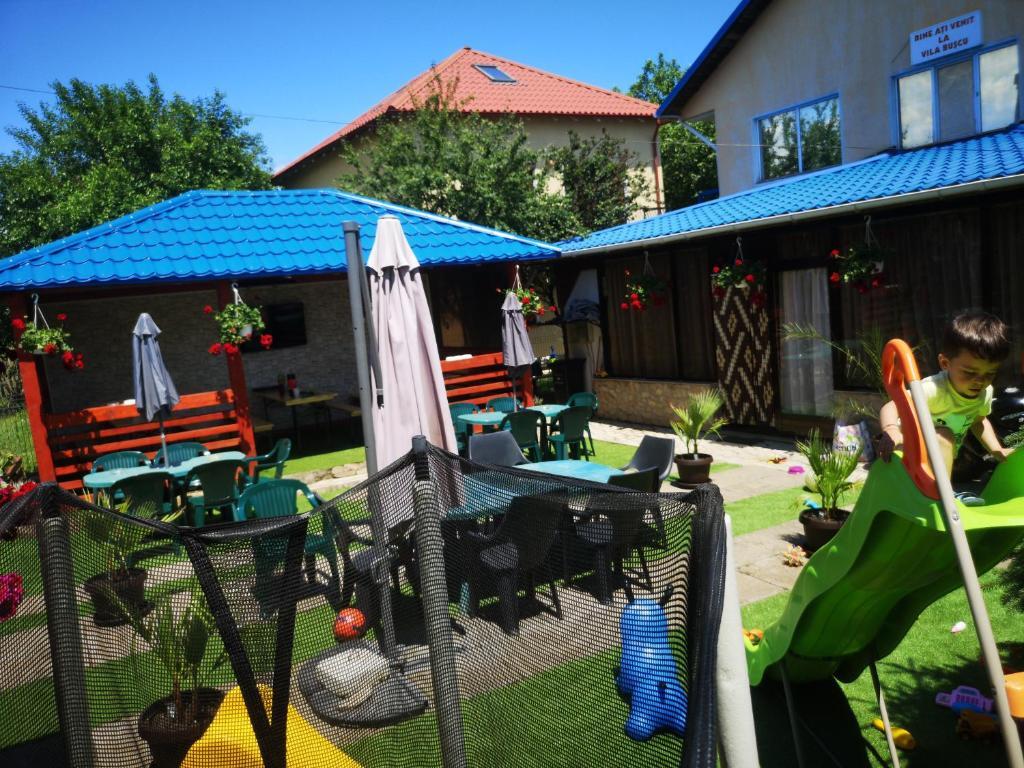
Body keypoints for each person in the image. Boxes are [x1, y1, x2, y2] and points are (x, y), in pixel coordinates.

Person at [878, 311, 1013, 497]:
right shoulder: (933, 389)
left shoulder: (984, 393)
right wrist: (891, 430)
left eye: (989, 373)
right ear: (944, 363)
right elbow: (892, 406)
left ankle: (942, 494)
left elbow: (979, 421)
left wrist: (996, 449)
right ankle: (944, 496)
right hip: (904, 452)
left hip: (936, 462)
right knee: (944, 434)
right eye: (969, 372)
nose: (979, 381)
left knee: (944, 438)